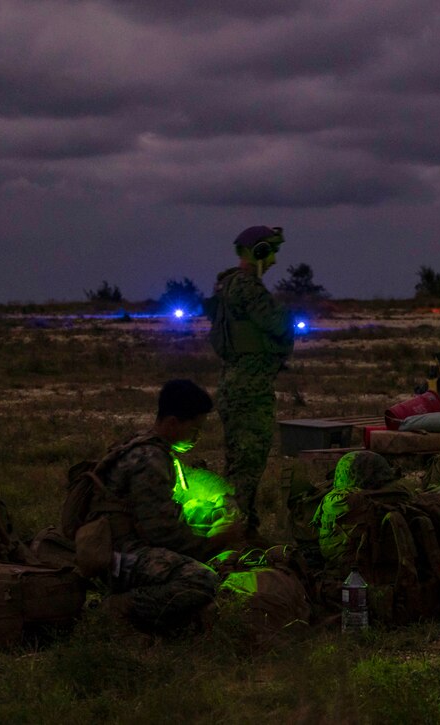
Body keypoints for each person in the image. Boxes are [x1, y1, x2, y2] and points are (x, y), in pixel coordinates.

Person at [91, 379, 243, 630]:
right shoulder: (150, 460)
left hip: (122, 547)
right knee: (201, 580)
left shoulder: (143, 446)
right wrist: (215, 541)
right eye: (194, 429)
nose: (197, 437)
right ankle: (121, 607)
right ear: (173, 423)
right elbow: (163, 534)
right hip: (120, 557)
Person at [208, 225, 294, 537]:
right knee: (247, 468)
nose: (273, 260)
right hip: (250, 389)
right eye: (270, 252)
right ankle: (233, 537)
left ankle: (244, 529)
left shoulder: (228, 285)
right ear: (258, 252)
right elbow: (277, 323)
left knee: (238, 465)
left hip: (235, 385)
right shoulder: (248, 287)